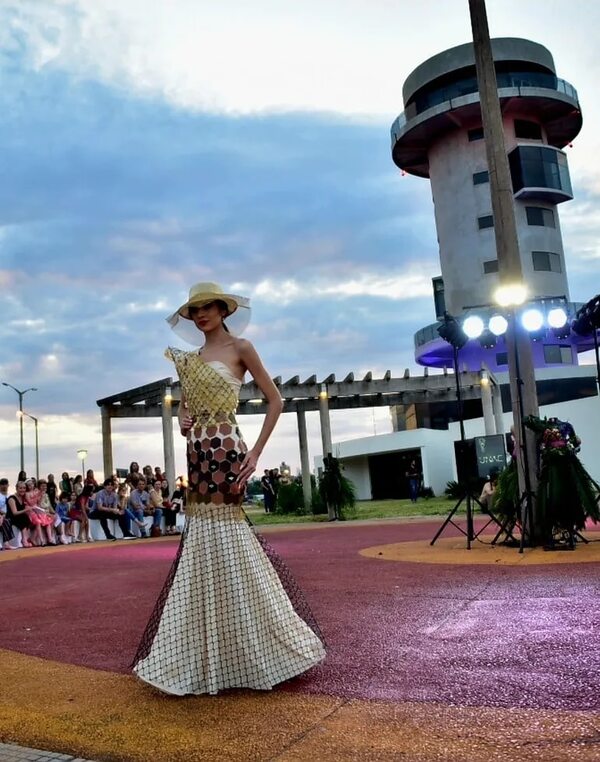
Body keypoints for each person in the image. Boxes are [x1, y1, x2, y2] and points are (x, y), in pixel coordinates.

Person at [132, 282, 325, 695]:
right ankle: (210, 647)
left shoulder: (242, 347)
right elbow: (185, 408)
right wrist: (182, 421)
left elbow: (276, 401)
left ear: (223, 310)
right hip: (198, 453)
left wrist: (255, 453)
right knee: (202, 537)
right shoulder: (190, 359)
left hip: (227, 449)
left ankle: (250, 642)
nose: (200, 315)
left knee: (228, 536)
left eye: (207, 307)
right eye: (194, 310)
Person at [6, 481, 34, 547]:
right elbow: (14, 512)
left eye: (24, 488)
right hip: (11, 517)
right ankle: (24, 540)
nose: (22, 490)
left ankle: (26, 539)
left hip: (19, 517)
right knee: (23, 517)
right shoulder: (12, 498)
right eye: (20, 488)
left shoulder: (23, 498)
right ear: (16, 488)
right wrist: (26, 510)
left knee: (27, 517)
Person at [0, 478, 15, 550]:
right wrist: (3, 513)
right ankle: (6, 543)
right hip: (2, 514)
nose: (4, 486)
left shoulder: (10, 496)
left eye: (5, 484)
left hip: (9, 514)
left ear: (8, 485)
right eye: (2, 484)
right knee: (5, 521)